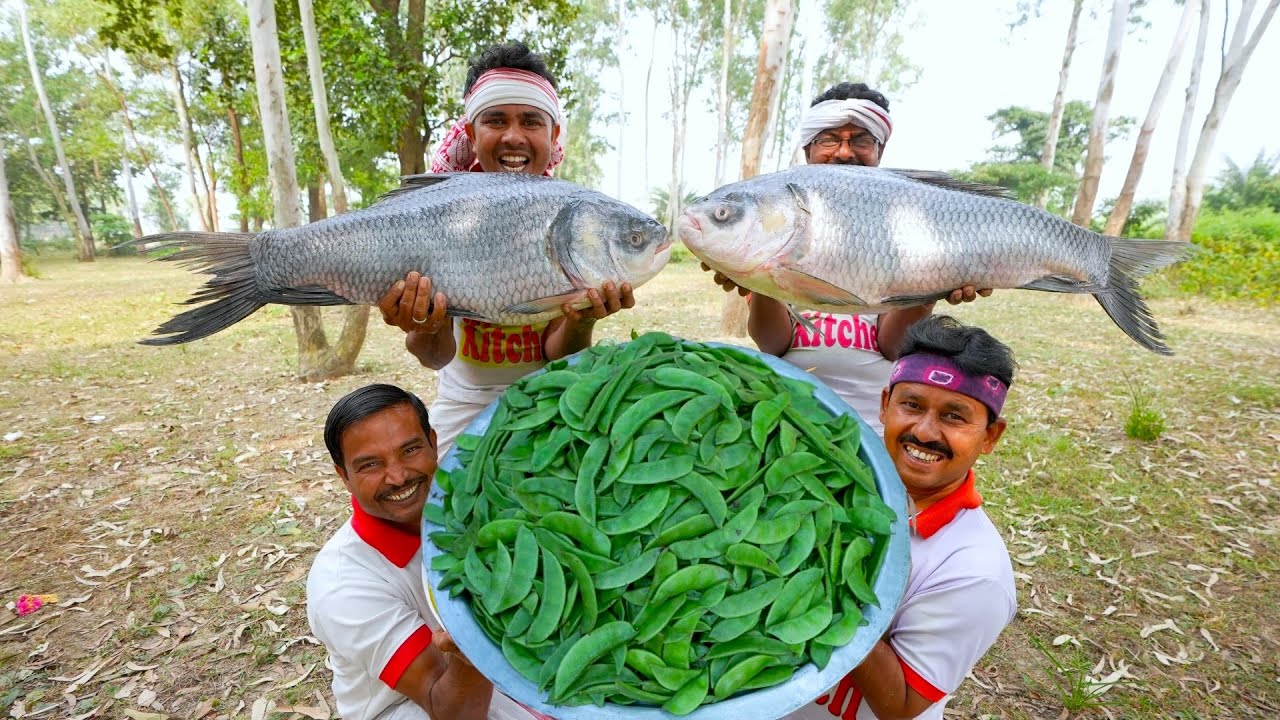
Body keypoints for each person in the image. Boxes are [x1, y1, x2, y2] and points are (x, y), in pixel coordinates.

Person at [378, 41, 634, 458]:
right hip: (464, 406)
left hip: (550, 398)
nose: (513, 136)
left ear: (552, 135)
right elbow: (434, 356)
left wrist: (582, 318)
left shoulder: (570, 218)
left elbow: (557, 355)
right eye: (496, 120)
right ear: (471, 134)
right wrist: (423, 322)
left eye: (531, 121)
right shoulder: (442, 213)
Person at [705, 82, 990, 436]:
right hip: (792, 416)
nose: (843, 152)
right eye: (829, 139)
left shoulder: (902, 221)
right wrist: (758, 279)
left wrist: (932, 286)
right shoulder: (778, 219)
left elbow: (892, 347)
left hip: (874, 423)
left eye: (861, 140)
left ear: (879, 151)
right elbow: (772, 344)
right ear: (808, 150)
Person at [783, 315, 1017, 720]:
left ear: (990, 436)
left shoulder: (975, 572)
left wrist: (823, 581)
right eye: (911, 405)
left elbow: (901, 704)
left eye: (954, 416)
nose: (924, 432)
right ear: (884, 405)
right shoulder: (825, 479)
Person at [306, 383, 551, 720]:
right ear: (343, 476)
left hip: (506, 674)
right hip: (418, 707)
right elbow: (451, 711)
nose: (397, 477)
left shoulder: (476, 506)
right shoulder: (342, 586)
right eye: (370, 465)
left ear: (434, 443)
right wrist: (473, 641)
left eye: (410, 450)